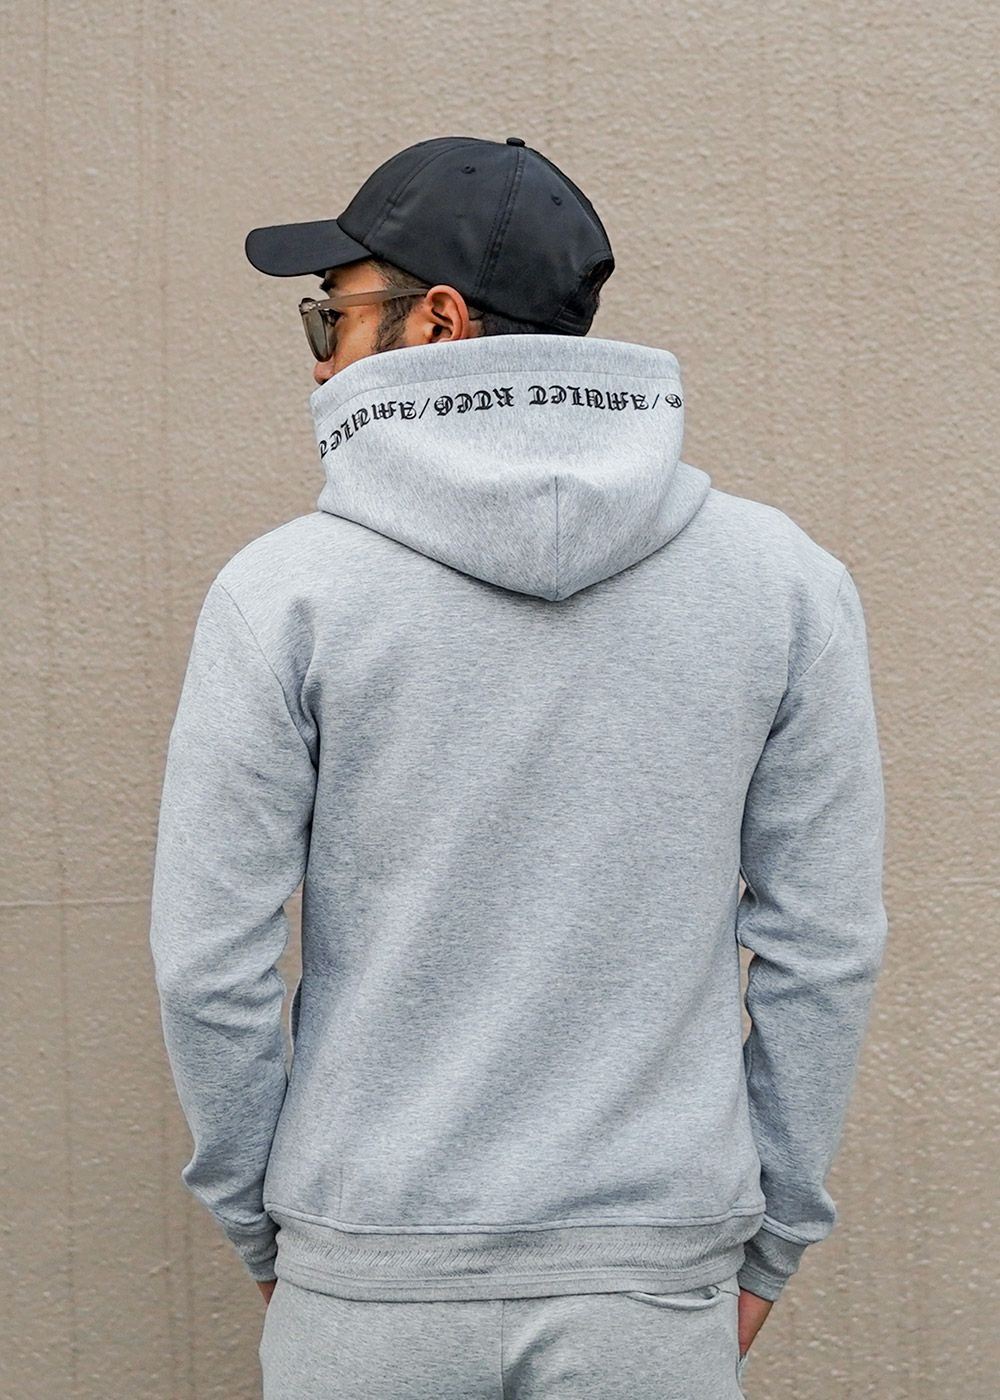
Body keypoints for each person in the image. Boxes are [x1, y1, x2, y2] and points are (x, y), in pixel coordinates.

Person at [148, 135, 889, 1399]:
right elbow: (824, 945)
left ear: (437, 321)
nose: (319, 356)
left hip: (366, 1277)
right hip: (651, 1287)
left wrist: (275, 1231)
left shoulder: (285, 592)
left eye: (334, 314)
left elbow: (208, 962)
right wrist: (770, 1238)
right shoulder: (783, 584)